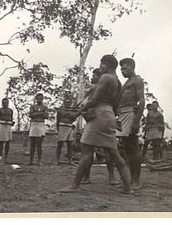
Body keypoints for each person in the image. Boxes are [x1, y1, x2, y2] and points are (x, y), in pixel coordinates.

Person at [61, 54, 132, 194]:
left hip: (100, 114)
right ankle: (127, 188)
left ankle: (74, 185)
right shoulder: (118, 82)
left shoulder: (105, 78)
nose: (100, 67)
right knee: (114, 153)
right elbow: (116, 104)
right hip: (110, 114)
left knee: (87, 151)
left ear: (106, 64)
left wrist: (77, 113)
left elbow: (94, 99)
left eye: (101, 64)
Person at [116, 57, 145, 189]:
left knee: (133, 147)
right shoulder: (126, 83)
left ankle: (136, 180)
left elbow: (142, 101)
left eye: (125, 67)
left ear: (132, 67)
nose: (123, 70)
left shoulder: (137, 80)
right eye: (121, 68)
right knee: (126, 147)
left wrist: (136, 120)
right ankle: (130, 178)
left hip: (131, 113)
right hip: (122, 114)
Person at [28, 93, 49, 166]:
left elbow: (46, 116)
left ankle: (39, 161)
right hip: (34, 124)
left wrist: (36, 113)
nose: (39, 100)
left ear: (43, 99)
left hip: (40, 125)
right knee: (32, 144)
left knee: (39, 144)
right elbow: (30, 115)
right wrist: (41, 113)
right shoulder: (32, 106)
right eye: (38, 98)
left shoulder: (45, 107)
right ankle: (31, 161)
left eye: (41, 98)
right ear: (36, 99)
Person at [56, 97, 77, 165]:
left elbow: (73, 118)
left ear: (70, 103)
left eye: (68, 102)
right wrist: (58, 129)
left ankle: (70, 161)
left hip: (69, 127)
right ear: (64, 103)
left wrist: (72, 114)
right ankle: (57, 160)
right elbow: (59, 118)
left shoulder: (72, 110)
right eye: (66, 102)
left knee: (70, 144)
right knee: (60, 144)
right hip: (62, 126)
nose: (67, 104)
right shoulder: (60, 110)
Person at [0, 98, 14, 164]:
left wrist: (11, 123)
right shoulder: (0, 110)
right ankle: (0, 156)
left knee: (8, 142)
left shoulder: (10, 110)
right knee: (1, 142)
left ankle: (6, 156)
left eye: (6, 102)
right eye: (4, 102)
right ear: (2, 103)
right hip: (2, 125)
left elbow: (11, 118)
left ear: (8, 103)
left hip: (8, 126)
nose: (5, 104)